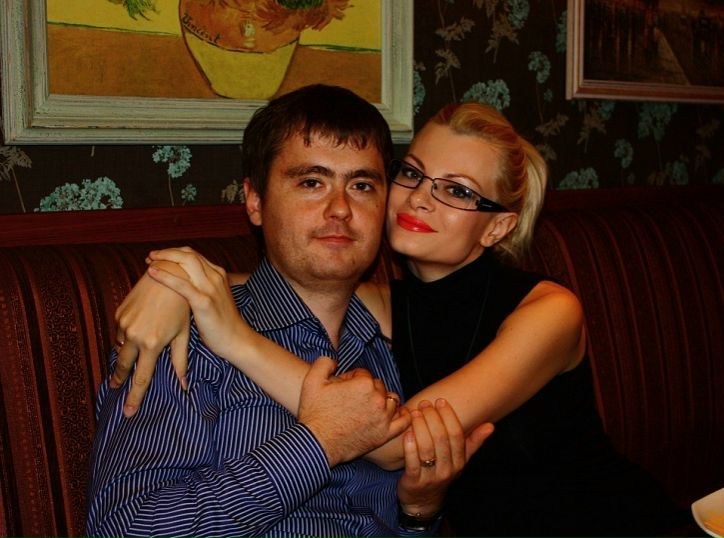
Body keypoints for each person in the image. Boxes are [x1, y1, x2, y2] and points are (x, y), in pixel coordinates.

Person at [113, 101, 684, 537]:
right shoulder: (381, 307)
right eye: (411, 174)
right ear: (255, 200)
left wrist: (235, 337)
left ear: (497, 226)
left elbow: (389, 443)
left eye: (457, 191)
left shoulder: (548, 310)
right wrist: (172, 281)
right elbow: (284, 276)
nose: (420, 200)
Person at [86, 85, 493, 538]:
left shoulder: (394, 350)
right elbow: (123, 528)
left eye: (361, 186)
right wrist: (319, 442)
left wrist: (419, 514)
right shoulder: (185, 337)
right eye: (311, 182)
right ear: (255, 201)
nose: (340, 209)